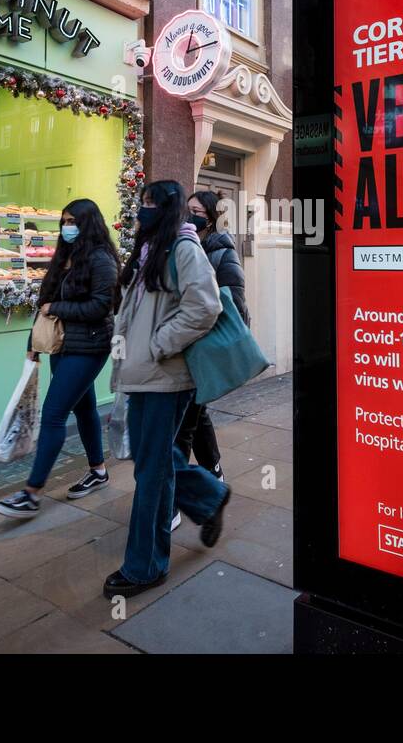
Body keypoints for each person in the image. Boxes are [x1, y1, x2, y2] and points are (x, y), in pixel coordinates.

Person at [104, 180, 231, 598]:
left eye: (149, 204)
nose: (142, 210)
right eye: (141, 203)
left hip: (165, 378)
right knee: (151, 459)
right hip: (143, 375)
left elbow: (205, 306)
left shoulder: (183, 249)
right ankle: (209, 496)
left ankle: (145, 567)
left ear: (167, 209)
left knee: (151, 474)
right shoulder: (150, 253)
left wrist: (160, 344)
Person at [0, 198, 119, 518]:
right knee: (85, 407)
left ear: (88, 223)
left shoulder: (101, 259)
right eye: (63, 221)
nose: (67, 227)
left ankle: (31, 493)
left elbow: (102, 307)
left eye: (73, 221)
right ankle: (98, 471)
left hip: (89, 346)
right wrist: (32, 342)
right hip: (60, 345)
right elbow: (44, 304)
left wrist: (56, 309)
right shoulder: (65, 257)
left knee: (53, 414)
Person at [173, 190, 250, 480]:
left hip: (204, 344)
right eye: (187, 210)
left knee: (183, 422)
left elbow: (235, 303)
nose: (190, 216)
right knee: (195, 413)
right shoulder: (184, 246)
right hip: (186, 344)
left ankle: (174, 496)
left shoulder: (221, 251)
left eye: (197, 212)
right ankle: (213, 470)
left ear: (212, 219)